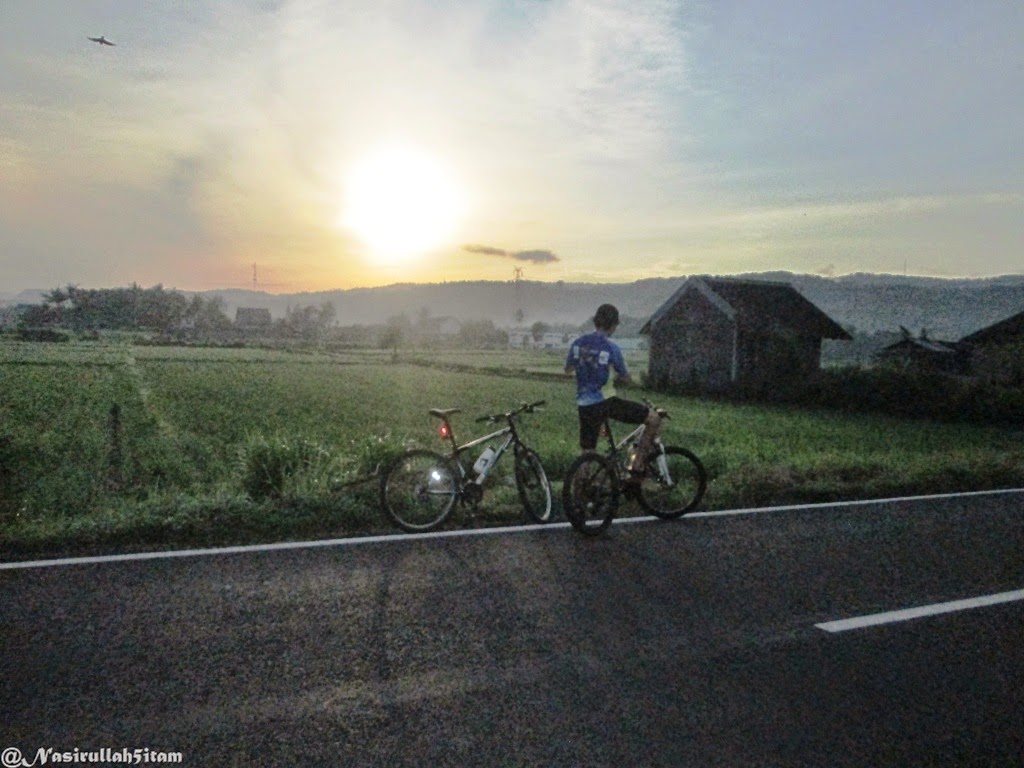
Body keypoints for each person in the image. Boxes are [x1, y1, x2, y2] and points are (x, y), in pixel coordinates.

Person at [564, 303, 661, 477]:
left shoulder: (577, 344)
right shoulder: (611, 348)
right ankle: (637, 466)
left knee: (587, 453)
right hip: (605, 402)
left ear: (596, 321)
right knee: (653, 419)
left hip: (584, 405)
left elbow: (568, 369)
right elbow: (625, 377)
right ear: (613, 325)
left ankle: (578, 497)